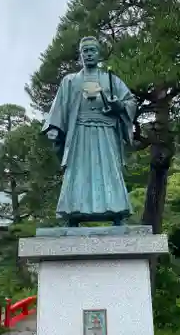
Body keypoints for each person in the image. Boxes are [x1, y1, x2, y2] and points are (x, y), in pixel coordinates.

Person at [42, 36, 136, 226]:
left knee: (110, 171)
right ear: (80, 55)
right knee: (78, 172)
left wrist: (119, 105)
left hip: (106, 132)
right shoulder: (70, 81)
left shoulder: (112, 80)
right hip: (80, 134)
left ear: (99, 54)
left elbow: (130, 101)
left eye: (92, 50)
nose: (89, 54)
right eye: (85, 51)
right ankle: (72, 213)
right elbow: (59, 105)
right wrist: (54, 127)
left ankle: (117, 212)